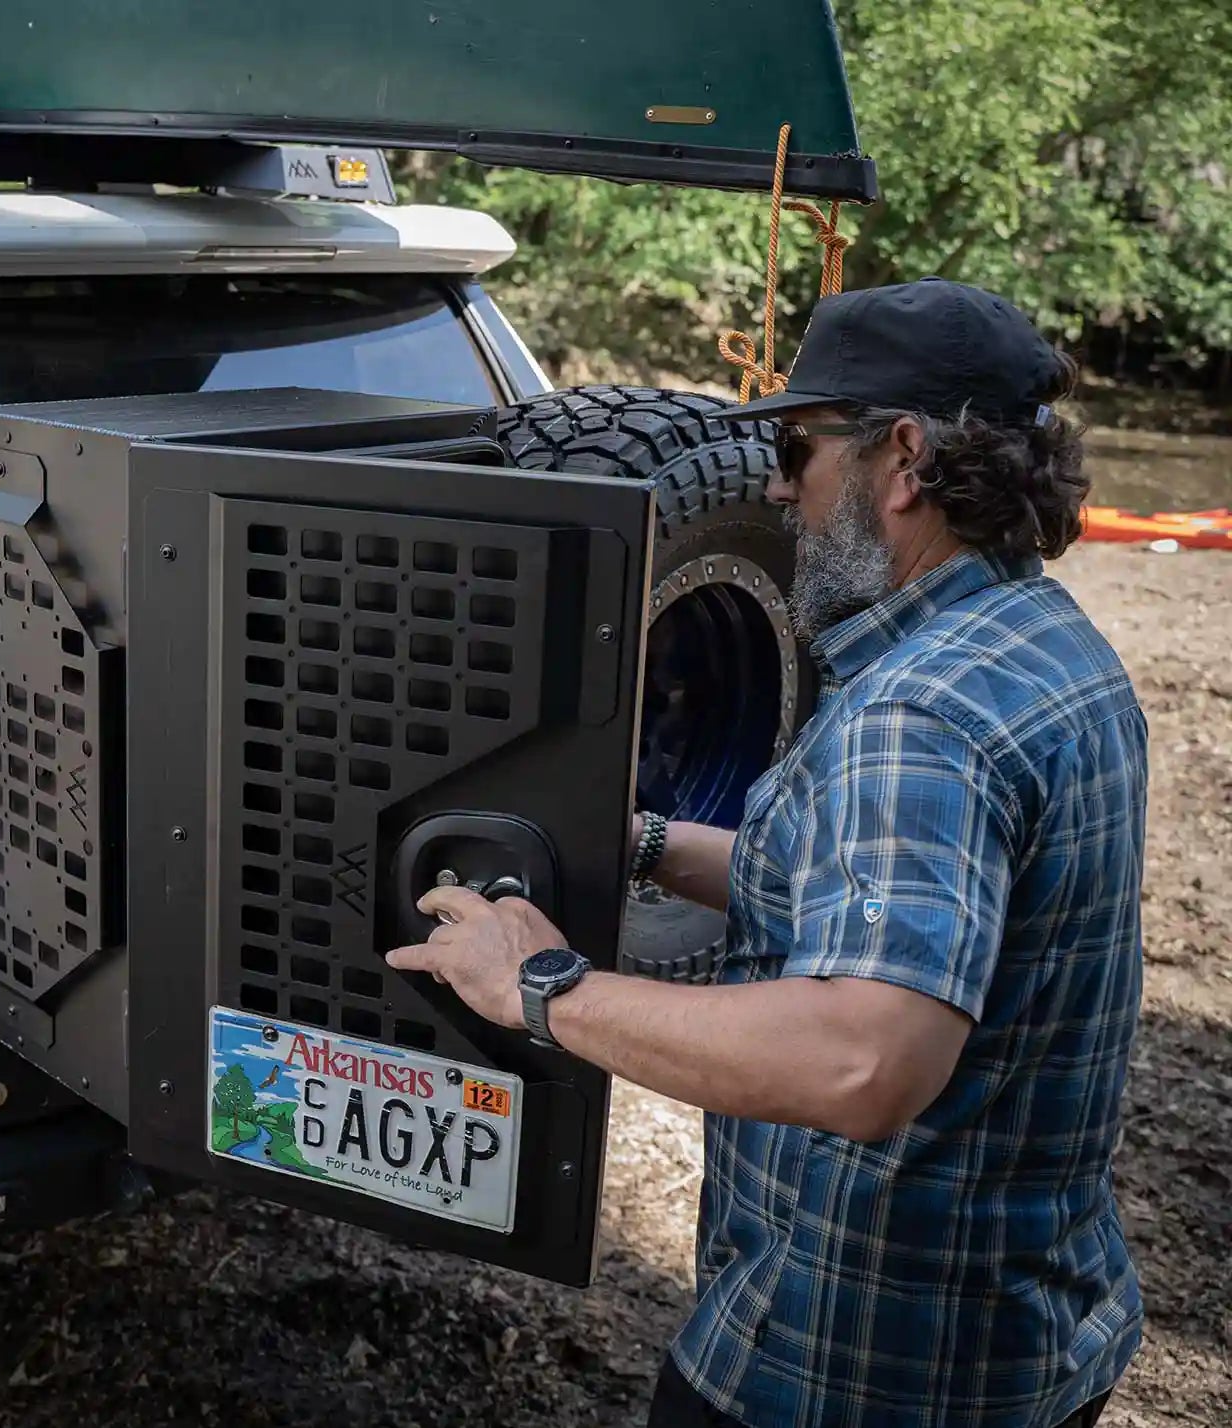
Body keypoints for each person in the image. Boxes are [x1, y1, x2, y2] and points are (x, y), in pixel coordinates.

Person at [388, 278, 1145, 1428]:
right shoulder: (1041, 644)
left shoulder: (918, 717)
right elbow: (883, 904)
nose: (778, 487)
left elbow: (860, 1062)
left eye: (797, 448)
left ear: (901, 460)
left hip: (848, 1369)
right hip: (1018, 1339)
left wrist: (541, 988)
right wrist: (639, 841)